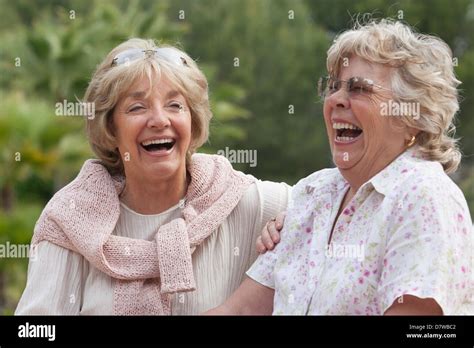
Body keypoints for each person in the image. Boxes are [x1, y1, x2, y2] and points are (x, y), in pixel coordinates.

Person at [208, 19, 473, 315]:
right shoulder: (314, 193)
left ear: (411, 114)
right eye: (333, 87)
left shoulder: (423, 197)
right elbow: (240, 311)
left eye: (359, 89)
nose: (335, 100)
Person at [15, 38, 290, 315]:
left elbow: (330, 202)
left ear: (192, 121)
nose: (159, 120)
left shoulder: (246, 201)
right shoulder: (70, 220)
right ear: (110, 128)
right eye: (137, 108)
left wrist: (296, 219)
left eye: (174, 105)